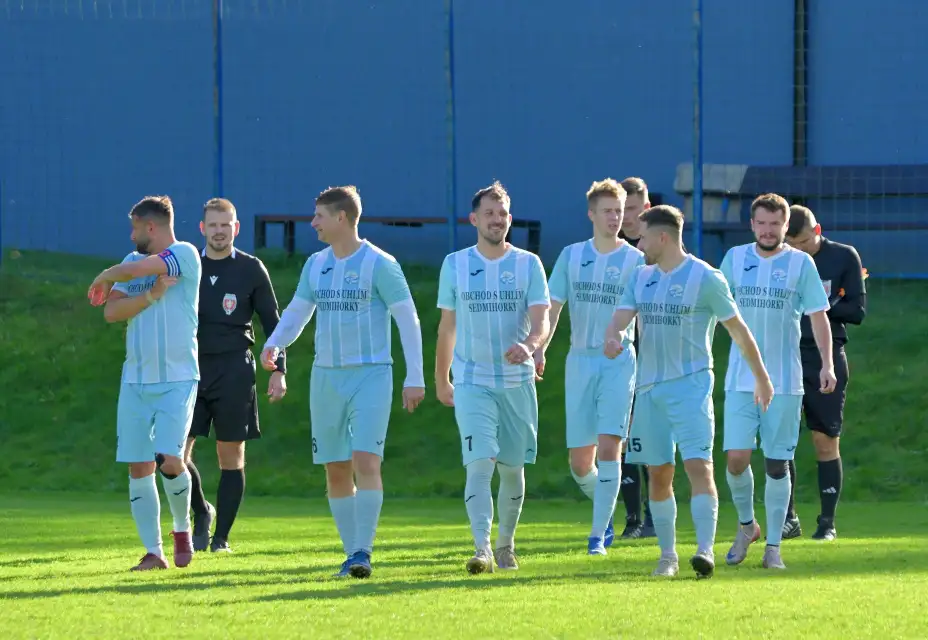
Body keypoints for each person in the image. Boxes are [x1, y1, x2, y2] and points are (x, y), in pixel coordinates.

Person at [261, 185, 425, 579]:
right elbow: (298, 312)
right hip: (326, 378)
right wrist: (274, 343)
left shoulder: (381, 264)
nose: (313, 223)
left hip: (371, 374)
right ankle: (352, 554)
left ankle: (363, 551)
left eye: (319, 216)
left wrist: (415, 376)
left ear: (342, 218)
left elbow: (408, 320)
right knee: (335, 468)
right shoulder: (315, 264)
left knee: (365, 460)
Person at [604, 204, 773, 579]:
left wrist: (761, 378)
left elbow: (739, 331)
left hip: (691, 387)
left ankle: (704, 550)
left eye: (643, 238)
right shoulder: (640, 277)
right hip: (649, 389)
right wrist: (613, 338)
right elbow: (618, 320)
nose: (638, 244)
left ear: (663, 237)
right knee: (658, 473)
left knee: (699, 465)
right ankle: (667, 557)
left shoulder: (706, 278)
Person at [435, 181, 550, 575]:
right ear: (474, 219)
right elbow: (447, 326)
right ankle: (482, 548)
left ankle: (505, 545)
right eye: (489, 213)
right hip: (472, 381)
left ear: (510, 219)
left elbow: (542, 320)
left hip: (517, 383)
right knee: (480, 462)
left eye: (502, 214)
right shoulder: (455, 264)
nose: (497, 220)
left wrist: (531, 346)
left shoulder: (528, 264)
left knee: (512, 468)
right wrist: (442, 378)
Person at [719, 194, 836, 570]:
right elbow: (714, 308)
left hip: (785, 381)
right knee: (736, 460)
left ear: (786, 226)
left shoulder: (801, 263)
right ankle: (747, 526)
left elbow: (819, 316)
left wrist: (827, 365)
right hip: (740, 378)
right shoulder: (734, 259)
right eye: (762, 223)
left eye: (775, 224)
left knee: (776, 463)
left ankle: (773, 547)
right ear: (752, 225)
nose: (768, 230)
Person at [89, 195, 202, 572]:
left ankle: (183, 528)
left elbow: (146, 268)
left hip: (177, 378)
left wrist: (106, 274)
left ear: (151, 226)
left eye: (135, 227)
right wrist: (151, 295)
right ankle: (154, 553)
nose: (132, 235)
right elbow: (112, 311)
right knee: (138, 467)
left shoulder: (184, 254)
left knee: (170, 459)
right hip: (136, 381)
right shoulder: (130, 264)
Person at [542, 178, 644, 554]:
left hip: (618, 362)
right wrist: (539, 349)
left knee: (610, 447)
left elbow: (643, 315)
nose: (615, 218)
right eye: (607, 211)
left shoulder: (635, 260)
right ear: (591, 215)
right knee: (580, 464)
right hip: (580, 362)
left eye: (620, 211)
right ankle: (607, 505)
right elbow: (552, 309)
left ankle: (597, 536)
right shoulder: (571, 256)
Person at [185, 198, 288, 554]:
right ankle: (201, 510)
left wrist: (279, 370)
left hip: (234, 370)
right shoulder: (189, 265)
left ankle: (221, 539)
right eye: (213, 225)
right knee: (172, 455)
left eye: (225, 225)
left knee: (231, 455)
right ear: (202, 228)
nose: (219, 231)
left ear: (236, 228)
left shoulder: (251, 268)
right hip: (191, 369)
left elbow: (274, 323)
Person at [783, 205, 867, 541]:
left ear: (817, 231)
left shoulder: (843, 256)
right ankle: (787, 518)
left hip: (824, 356)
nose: (799, 250)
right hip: (784, 355)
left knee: (824, 440)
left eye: (804, 242)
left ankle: (827, 523)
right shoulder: (778, 260)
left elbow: (857, 311)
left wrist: (820, 305)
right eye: (792, 244)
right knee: (781, 442)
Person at [616, 176, 654, 538]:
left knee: (652, 433)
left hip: (655, 353)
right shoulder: (611, 251)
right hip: (619, 350)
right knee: (623, 433)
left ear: (646, 208)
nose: (626, 216)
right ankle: (633, 519)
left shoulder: (656, 249)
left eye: (633, 208)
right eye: (620, 208)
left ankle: (655, 515)